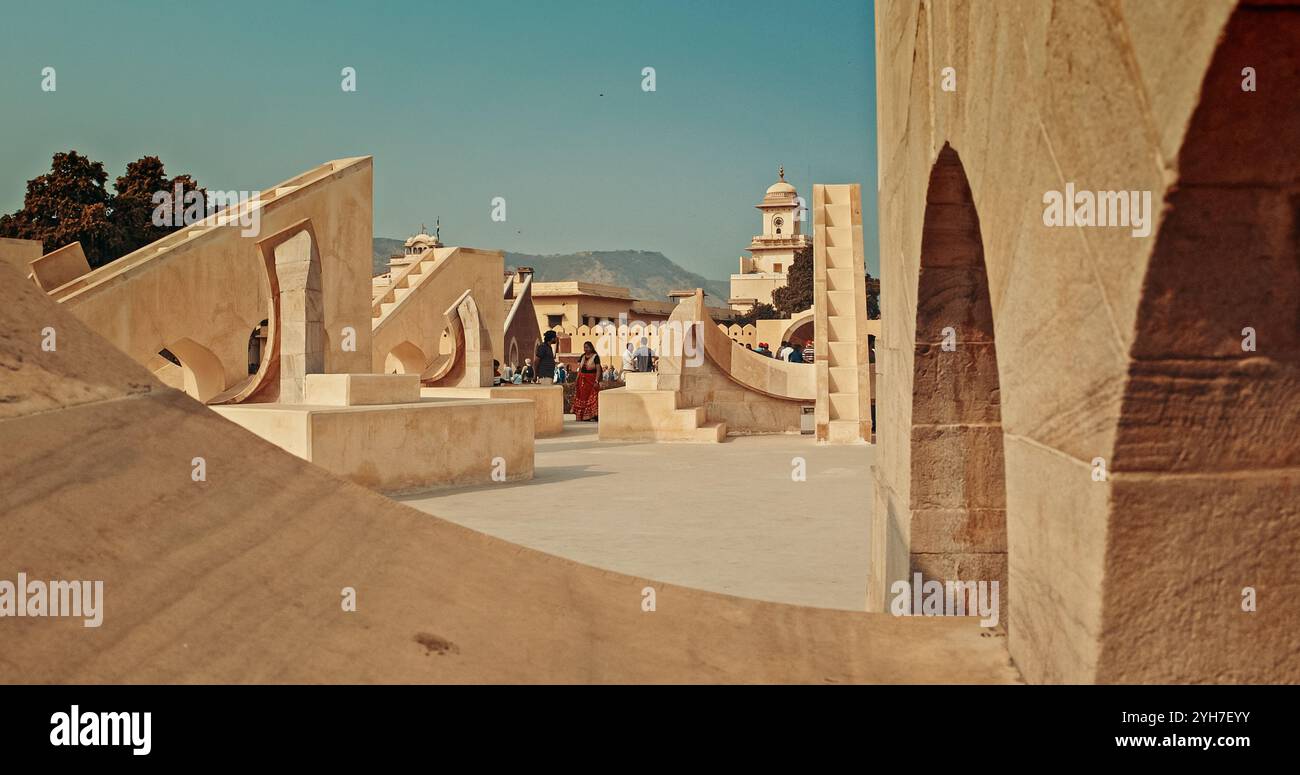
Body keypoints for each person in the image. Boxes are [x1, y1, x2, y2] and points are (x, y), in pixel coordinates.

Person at [571, 341, 602, 421]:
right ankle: (582, 416)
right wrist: (576, 380)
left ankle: (593, 416)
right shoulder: (582, 356)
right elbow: (580, 370)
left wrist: (596, 381)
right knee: (582, 397)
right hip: (582, 380)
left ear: (591, 348)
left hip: (591, 379)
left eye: (587, 347)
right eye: (584, 347)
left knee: (592, 397)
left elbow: (598, 370)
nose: (585, 349)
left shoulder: (595, 357)